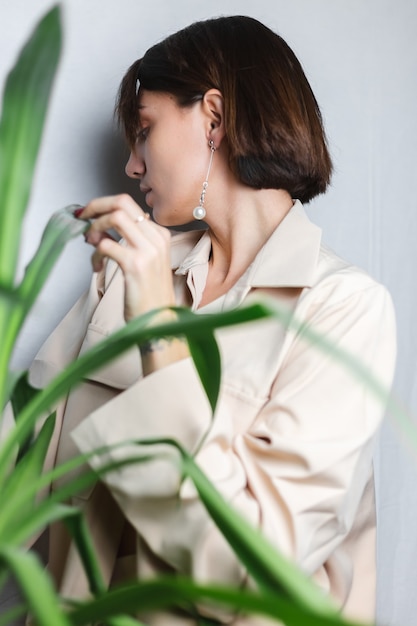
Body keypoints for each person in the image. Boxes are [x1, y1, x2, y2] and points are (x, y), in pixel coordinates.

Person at [25, 15, 396, 626]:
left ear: (214, 119)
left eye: (144, 130)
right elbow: (24, 452)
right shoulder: (126, 270)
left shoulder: (342, 309)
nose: (132, 167)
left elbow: (252, 572)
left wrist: (156, 328)